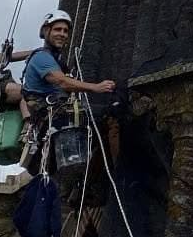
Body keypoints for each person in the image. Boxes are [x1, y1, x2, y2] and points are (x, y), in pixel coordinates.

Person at [9, 10, 116, 174]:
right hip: (56, 120)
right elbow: (61, 81)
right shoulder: (42, 58)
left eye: (65, 31)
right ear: (46, 31)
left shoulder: (55, 60)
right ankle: (115, 168)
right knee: (113, 115)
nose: (62, 34)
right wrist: (96, 87)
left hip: (53, 123)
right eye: (58, 29)